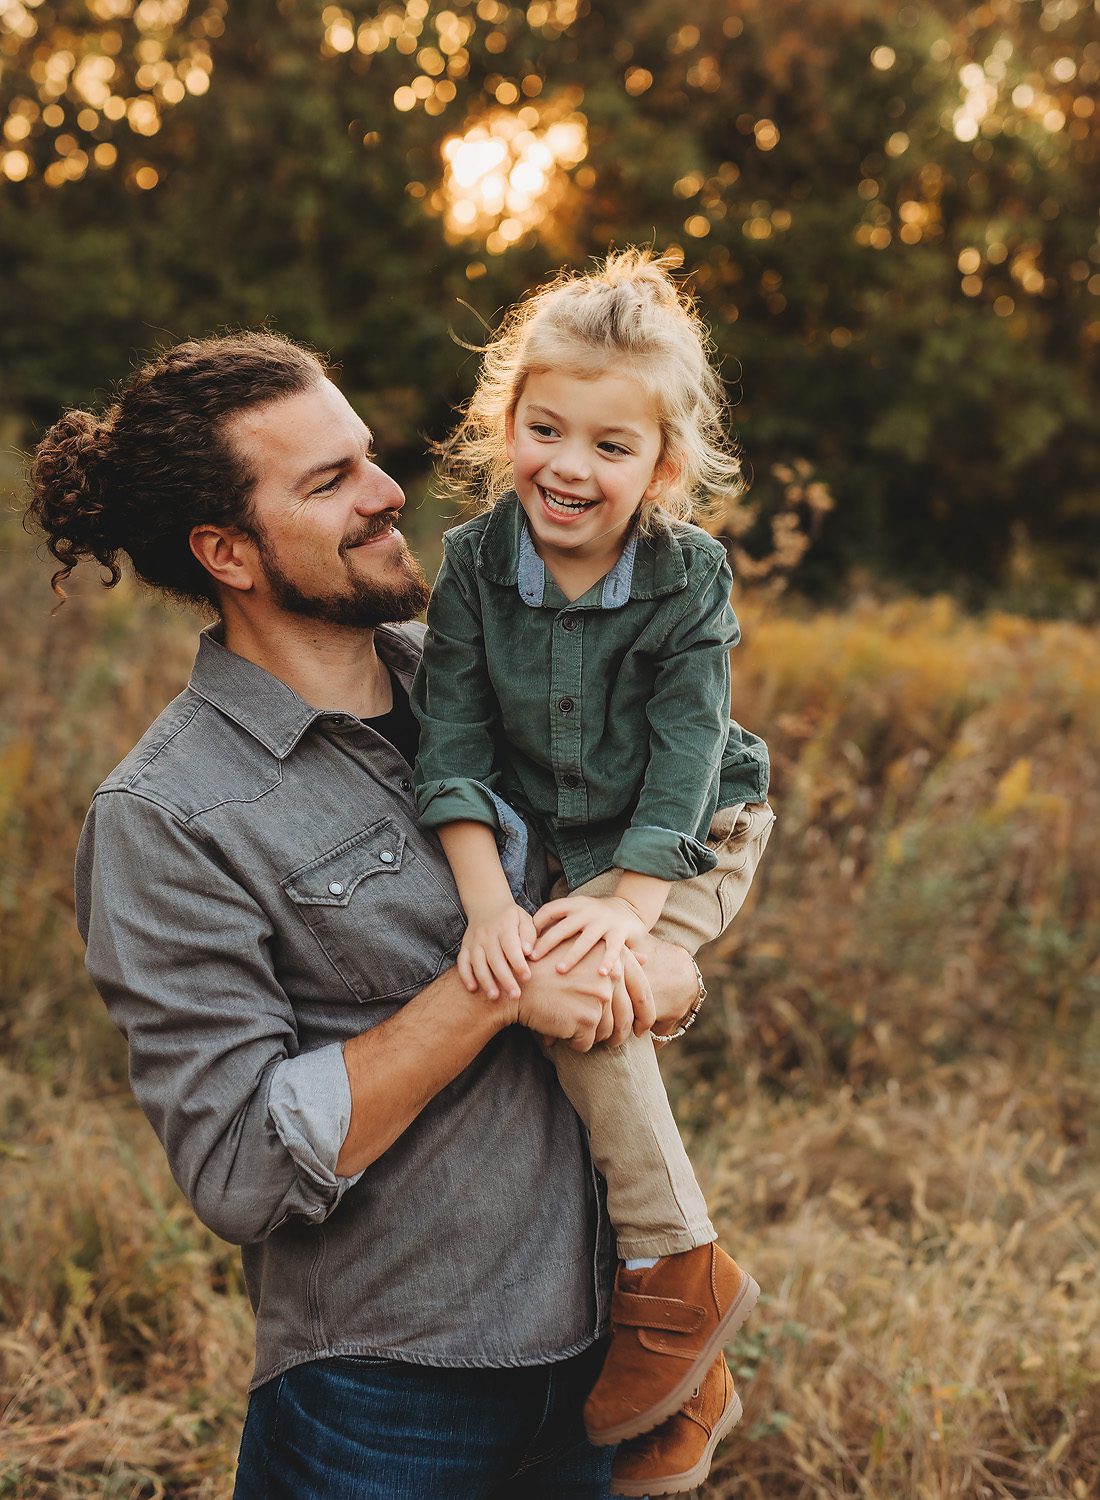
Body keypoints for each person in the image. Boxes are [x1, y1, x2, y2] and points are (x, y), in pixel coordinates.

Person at [25, 330, 717, 1499]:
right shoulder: (168, 815)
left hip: (596, 1363)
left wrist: (661, 976)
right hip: (383, 1401)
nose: (387, 492)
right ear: (226, 553)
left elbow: (646, 896)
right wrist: (490, 992)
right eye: (328, 480)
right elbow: (240, 1166)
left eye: (368, 458)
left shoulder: (493, 672)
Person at [412, 249, 775, 1495]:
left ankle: (678, 1278)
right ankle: (690, 1374)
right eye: (545, 428)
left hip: (690, 839)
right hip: (558, 860)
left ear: (660, 467)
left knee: (588, 1011)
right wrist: (488, 913)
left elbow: (686, 752)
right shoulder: (468, 564)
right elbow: (449, 740)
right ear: (504, 421)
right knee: (559, 987)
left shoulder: (689, 575)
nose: (569, 467)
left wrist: (628, 906)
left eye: (610, 448)